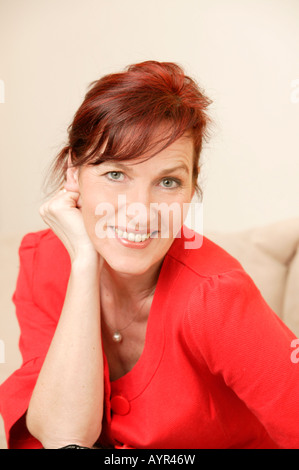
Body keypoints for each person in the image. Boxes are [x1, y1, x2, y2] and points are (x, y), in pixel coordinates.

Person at [0, 60, 298, 450]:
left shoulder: (218, 296)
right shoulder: (43, 260)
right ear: (73, 173)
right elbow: (63, 437)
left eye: (168, 182)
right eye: (115, 175)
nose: (140, 210)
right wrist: (85, 262)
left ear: (192, 188)